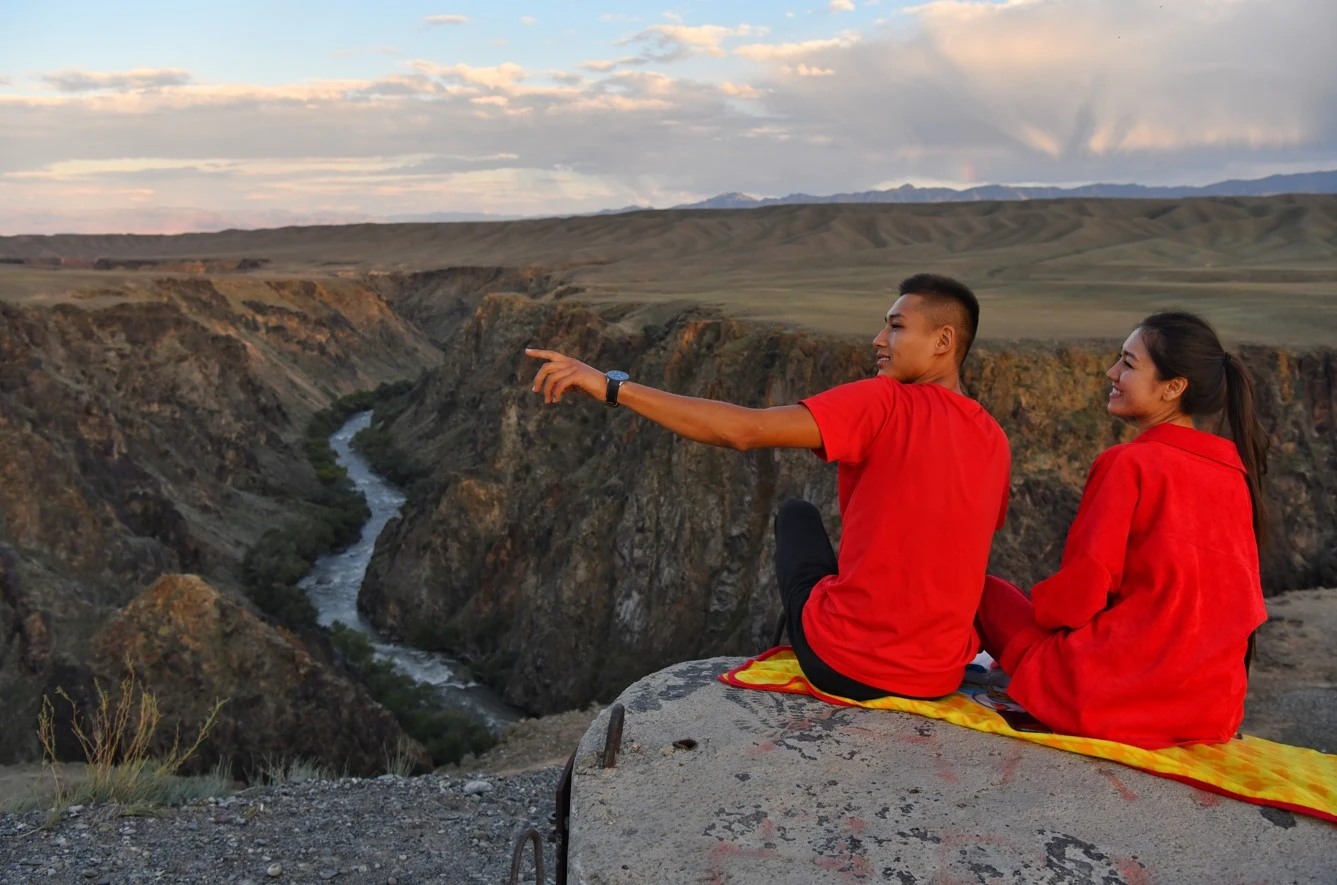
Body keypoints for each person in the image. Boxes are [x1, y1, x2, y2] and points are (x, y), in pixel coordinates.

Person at [527, 274, 1011, 701]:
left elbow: (743, 430)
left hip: (850, 667)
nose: (878, 338)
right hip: (937, 676)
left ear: (944, 340)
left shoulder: (886, 401)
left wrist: (614, 387)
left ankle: (803, 649)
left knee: (797, 516)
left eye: (897, 326)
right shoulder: (994, 439)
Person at [976, 311, 1269, 748]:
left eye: (1129, 364)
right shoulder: (1235, 476)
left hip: (1109, 695)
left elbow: (1079, 596)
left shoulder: (1129, 463)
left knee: (985, 591)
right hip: (1209, 710)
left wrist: (1042, 623)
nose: (1112, 372)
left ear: (1173, 387)